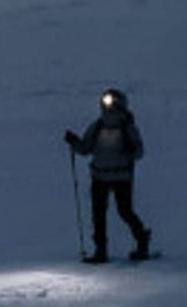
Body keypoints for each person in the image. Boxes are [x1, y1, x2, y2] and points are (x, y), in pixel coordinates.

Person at [65, 88, 153, 262]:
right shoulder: (97, 126)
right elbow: (85, 148)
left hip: (120, 177)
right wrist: (74, 142)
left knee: (123, 212)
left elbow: (139, 152)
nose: (108, 107)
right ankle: (102, 250)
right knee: (100, 214)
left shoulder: (127, 128)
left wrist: (131, 151)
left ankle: (140, 240)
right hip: (101, 177)